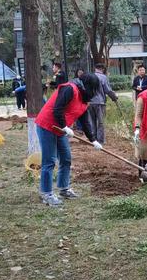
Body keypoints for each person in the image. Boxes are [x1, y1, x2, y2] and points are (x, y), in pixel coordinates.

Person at [35, 73, 102, 206]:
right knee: (49, 161)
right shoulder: (70, 89)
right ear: (88, 86)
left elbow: (85, 121)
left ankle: (64, 189)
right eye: (93, 89)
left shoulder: (84, 98)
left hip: (60, 129)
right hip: (47, 125)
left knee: (66, 159)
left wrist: (93, 139)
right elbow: (57, 109)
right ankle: (46, 194)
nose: (94, 92)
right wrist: (65, 126)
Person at [89, 63, 118, 144]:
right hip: (100, 102)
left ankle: (93, 139)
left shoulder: (90, 76)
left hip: (90, 102)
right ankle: (100, 140)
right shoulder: (103, 77)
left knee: (92, 121)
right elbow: (107, 90)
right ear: (102, 69)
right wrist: (114, 97)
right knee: (100, 122)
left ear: (95, 68)